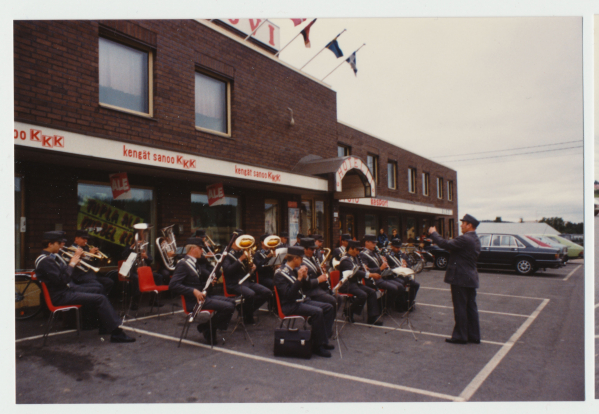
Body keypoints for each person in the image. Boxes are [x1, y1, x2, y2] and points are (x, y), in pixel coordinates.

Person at [35, 231, 135, 343]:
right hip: (61, 294)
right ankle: (116, 333)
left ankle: (106, 326)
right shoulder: (45, 260)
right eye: (59, 243)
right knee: (100, 298)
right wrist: (72, 264)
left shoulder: (52, 257)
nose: (61, 246)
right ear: (50, 244)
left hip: (66, 289)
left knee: (99, 289)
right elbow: (62, 280)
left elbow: (62, 275)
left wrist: (75, 263)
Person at [169, 237, 234, 345]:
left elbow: (197, 283)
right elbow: (173, 285)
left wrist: (208, 283)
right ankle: (209, 328)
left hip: (202, 297)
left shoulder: (195, 262)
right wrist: (193, 291)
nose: (202, 251)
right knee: (229, 307)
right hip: (194, 301)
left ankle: (208, 328)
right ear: (192, 249)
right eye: (200, 248)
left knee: (231, 302)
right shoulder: (183, 264)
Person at [429, 214, 482, 344]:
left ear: (469, 225)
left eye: (463, 223)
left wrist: (434, 233)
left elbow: (444, 243)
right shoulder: (475, 239)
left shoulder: (465, 239)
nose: (461, 225)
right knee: (471, 307)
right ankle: (474, 335)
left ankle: (461, 336)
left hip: (460, 278)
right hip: (470, 277)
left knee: (460, 308)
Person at [274, 246, 335, 358]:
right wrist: (298, 279)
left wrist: (305, 277)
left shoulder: (295, 270)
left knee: (329, 307)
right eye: (301, 258)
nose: (302, 261)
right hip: (290, 305)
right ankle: (318, 346)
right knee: (318, 312)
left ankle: (323, 340)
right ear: (295, 259)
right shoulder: (280, 274)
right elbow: (288, 295)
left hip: (301, 301)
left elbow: (307, 286)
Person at [222, 229, 272, 324]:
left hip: (246, 282)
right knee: (251, 294)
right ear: (233, 242)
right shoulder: (227, 254)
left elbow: (247, 270)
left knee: (267, 292)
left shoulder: (242, 252)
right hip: (235, 283)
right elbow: (227, 270)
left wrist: (252, 268)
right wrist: (240, 260)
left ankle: (243, 309)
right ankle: (248, 317)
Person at [337, 240, 382, 325]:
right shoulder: (345, 260)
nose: (358, 252)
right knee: (363, 294)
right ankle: (349, 311)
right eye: (357, 250)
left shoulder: (356, 257)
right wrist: (371, 275)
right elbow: (355, 272)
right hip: (346, 284)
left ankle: (372, 317)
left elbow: (360, 269)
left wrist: (365, 268)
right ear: (350, 248)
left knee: (372, 292)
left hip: (355, 283)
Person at [121, 225, 165, 311]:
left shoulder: (144, 248)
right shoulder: (129, 247)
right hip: (133, 271)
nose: (142, 239)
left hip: (144, 271)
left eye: (142, 236)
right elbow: (123, 256)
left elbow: (151, 260)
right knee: (136, 278)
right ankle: (135, 302)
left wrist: (146, 257)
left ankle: (154, 300)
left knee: (158, 277)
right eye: (140, 236)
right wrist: (133, 246)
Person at [299, 238, 337, 336]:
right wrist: (319, 279)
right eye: (312, 249)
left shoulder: (312, 258)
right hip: (309, 291)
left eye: (314, 249)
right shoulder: (301, 262)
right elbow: (305, 283)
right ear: (305, 249)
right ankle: (325, 331)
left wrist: (321, 270)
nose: (313, 251)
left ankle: (323, 324)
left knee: (338, 298)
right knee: (332, 301)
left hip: (318, 288)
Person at [360, 234, 403, 313]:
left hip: (381, 277)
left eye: (375, 243)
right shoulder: (363, 254)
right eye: (373, 243)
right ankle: (380, 306)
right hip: (372, 279)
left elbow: (379, 264)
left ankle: (384, 305)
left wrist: (384, 262)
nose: (375, 245)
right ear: (367, 242)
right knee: (394, 288)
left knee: (400, 286)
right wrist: (380, 268)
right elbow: (365, 270)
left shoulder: (375, 252)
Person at [70, 230, 114, 295]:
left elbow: (92, 263)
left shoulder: (86, 248)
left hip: (90, 275)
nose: (86, 241)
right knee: (99, 286)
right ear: (76, 238)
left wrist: (98, 257)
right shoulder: (71, 249)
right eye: (83, 238)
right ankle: (99, 300)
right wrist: (90, 254)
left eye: (87, 239)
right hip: (80, 276)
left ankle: (101, 299)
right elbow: (80, 265)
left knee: (109, 282)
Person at [384, 238, 420, 311]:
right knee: (401, 283)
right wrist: (398, 267)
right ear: (392, 246)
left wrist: (406, 265)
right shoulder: (388, 256)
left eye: (399, 247)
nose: (398, 249)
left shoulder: (403, 255)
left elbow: (410, 266)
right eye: (396, 247)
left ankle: (409, 303)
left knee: (416, 284)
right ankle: (400, 304)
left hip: (404, 276)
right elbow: (387, 269)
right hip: (394, 277)